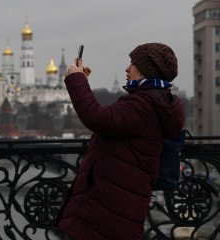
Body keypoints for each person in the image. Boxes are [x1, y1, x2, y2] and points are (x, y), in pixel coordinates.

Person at [55, 43, 185, 239]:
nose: (127, 68)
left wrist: (76, 79)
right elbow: (109, 119)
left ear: (146, 70)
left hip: (112, 202)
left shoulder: (143, 104)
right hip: (122, 197)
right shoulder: (158, 102)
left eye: (132, 63)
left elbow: (96, 117)